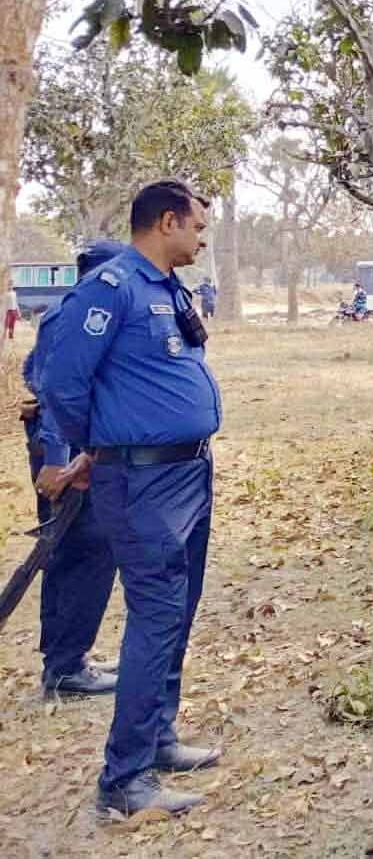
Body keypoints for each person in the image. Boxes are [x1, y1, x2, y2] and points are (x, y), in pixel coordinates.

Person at [40, 180, 224, 817]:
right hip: (141, 479)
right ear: (167, 221)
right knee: (155, 614)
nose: (202, 237)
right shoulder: (111, 288)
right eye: (197, 226)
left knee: (178, 609)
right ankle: (125, 779)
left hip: (189, 472)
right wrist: (94, 447)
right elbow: (61, 380)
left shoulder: (168, 287)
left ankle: (159, 736)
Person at [23, 240, 126, 698]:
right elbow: (54, 391)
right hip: (66, 451)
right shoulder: (75, 316)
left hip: (74, 447)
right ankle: (65, 668)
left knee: (71, 553)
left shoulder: (71, 311)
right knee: (85, 551)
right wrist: (57, 459)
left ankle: (66, 658)